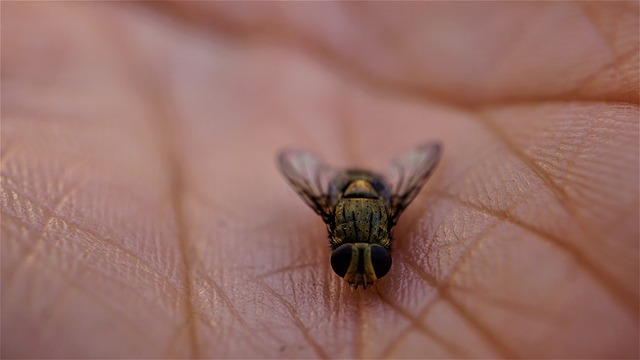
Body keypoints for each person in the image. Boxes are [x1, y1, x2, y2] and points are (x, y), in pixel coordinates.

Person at [2, 2, 638, 358]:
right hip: (363, 188)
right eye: (365, 257)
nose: (362, 265)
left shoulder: (359, 213)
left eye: (358, 258)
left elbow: (332, 175)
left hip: (363, 188)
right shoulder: (367, 209)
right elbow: (369, 174)